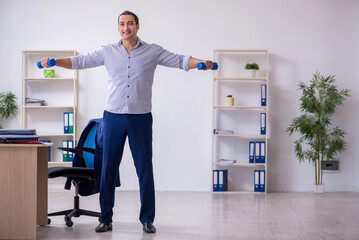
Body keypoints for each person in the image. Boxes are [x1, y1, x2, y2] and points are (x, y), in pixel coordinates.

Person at [40, 10, 214, 234]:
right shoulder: (107, 51)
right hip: (112, 117)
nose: (126, 28)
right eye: (122, 24)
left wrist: (201, 63)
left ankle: (147, 219)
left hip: (141, 117)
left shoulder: (152, 51)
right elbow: (80, 61)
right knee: (107, 169)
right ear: (118, 27)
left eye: (130, 24)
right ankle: (105, 218)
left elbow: (180, 60)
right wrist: (54, 62)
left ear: (138, 26)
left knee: (144, 169)